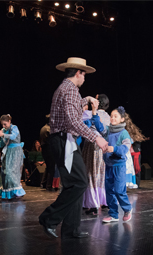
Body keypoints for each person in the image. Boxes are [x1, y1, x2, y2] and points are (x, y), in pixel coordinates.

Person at [38, 57, 108, 239]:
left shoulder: (69, 90)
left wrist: (86, 98)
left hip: (65, 140)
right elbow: (73, 121)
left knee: (75, 183)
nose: (85, 78)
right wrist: (96, 138)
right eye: (84, 75)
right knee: (79, 183)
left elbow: (72, 108)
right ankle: (49, 218)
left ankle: (71, 229)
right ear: (78, 73)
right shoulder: (69, 90)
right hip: (63, 141)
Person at [96, 106, 133, 223]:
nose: (112, 118)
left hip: (119, 166)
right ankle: (113, 214)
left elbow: (125, 148)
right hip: (108, 165)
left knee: (119, 190)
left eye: (115, 116)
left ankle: (127, 209)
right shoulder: (108, 130)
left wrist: (114, 149)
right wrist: (94, 114)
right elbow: (99, 127)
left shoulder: (124, 133)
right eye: (111, 116)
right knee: (109, 191)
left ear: (122, 119)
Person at [82, 94, 110, 215]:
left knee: (91, 173)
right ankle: (104, 201)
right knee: (101, 173)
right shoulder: (109, 117)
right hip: (104, 146)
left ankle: (93, 203)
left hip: (92, 145)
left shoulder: (89, 114)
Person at [0, 114, 26, 199]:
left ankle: (17, 192)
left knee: (12, 172)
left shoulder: (14, 128)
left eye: (5, 124)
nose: (4, 126)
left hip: (15, 152)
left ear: (9, 121)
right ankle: (8, 193)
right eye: (2, 124)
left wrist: (2, 135)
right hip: (7, 152)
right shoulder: (3, 130)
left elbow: (13, 136)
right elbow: (1, 143)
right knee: (5, 172)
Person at [40, 114, 56, 191]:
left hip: (44, 149)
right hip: (48, 149)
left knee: (48, 167)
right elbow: (51, 140)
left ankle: (43, 183)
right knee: (51, 167)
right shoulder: (48, 129)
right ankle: (48, 185)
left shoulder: (43, 128)